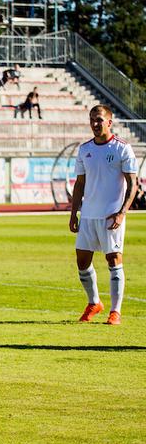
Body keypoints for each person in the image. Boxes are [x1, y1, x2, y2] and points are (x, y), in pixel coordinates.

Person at [70, 105, 137, 325]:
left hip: (111, 215)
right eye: (92, 120)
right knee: (82, 260)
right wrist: (74, 213)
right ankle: (94, 302)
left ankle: (115, 311)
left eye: (99, 120)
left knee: (113, 259)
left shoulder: (122, 149)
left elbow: (132, 184)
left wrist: (122, 213)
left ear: (109, 122)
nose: (95, 124)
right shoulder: (84, 149)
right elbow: (80, 184)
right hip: (88, 215)